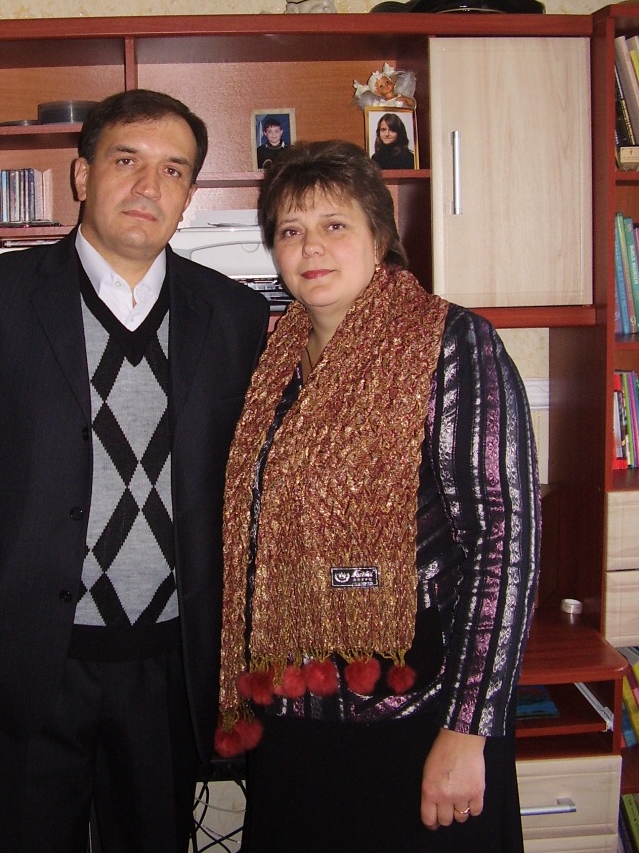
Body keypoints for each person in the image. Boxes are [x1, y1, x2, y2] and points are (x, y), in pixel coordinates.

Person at [0, 89, 270, 853]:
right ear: (82, 175)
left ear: (189, 194)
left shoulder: (235, 317)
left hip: (169, 664)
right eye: (127, 160)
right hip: (26, 659)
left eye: (173, 170)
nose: (149, 186)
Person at [215, 140, 540, 853]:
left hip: (420, 707)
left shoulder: (452, 344)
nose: (310, 247)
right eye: (291, 229)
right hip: (298, 710)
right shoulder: (277, 364)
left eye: (334, 224)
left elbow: (503, 543)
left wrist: (467, 729)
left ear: (379, 238)